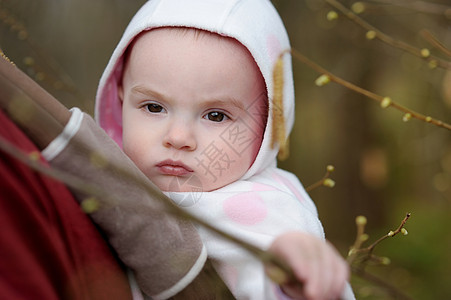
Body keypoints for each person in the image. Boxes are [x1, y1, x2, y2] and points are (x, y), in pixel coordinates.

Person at [91, 0, 355, 299]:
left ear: (268, 124)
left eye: (216, 115)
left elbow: (291, 269)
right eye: (154, 107)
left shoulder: (268, 209)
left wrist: (289, 272)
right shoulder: (96, 185)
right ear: (121, 101)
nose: (178, 137)